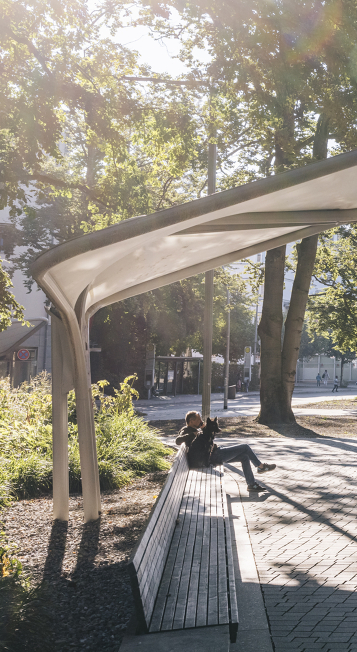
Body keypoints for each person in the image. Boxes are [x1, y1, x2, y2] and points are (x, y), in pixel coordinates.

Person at [176, 411, 276, 493]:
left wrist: (204, 429)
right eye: (199, 420)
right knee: (245, 447)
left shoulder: (196, 429)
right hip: (214, 456)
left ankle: (251, 485)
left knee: (244, 457)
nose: (201, 421)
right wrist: (193, 434)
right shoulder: (187, 430)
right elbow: (178, 440)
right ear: (191, 421)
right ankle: (261, 467)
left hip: (215, 453)